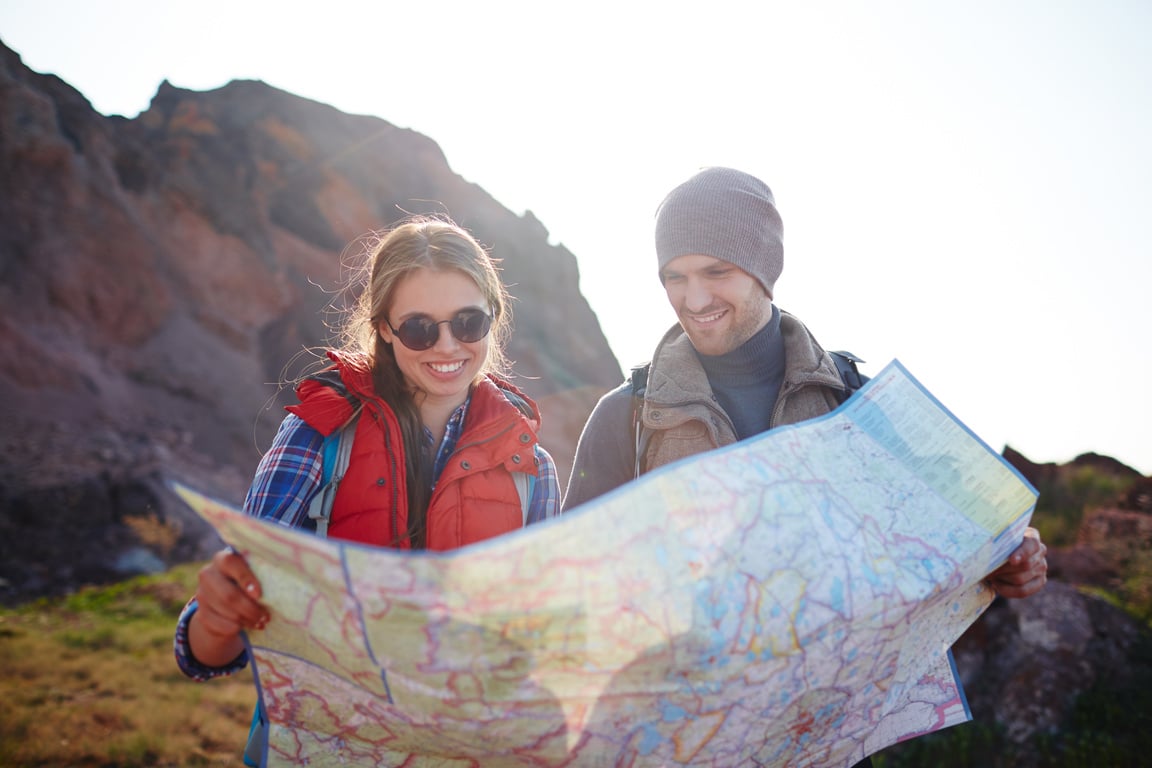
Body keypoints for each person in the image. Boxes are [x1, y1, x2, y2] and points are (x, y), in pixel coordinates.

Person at [562, 167, 1048, 766]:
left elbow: (960, 532)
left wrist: (1017, 552)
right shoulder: (624, 419)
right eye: (675, 277)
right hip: (686, 744)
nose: (693, 298)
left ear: (765, 267)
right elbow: (573, 595)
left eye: (717, 271)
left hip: (827, 740)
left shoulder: (856, 403)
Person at [174, 214, 562, 677]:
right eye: (419, 328)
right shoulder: (318, 435)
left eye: (468, 322)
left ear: (494, 317)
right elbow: (216, 648)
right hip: (337, 743)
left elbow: (538, 645)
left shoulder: (532, 470)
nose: (446, 346)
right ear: (383, 328)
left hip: (474, 745)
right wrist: (215, 620)